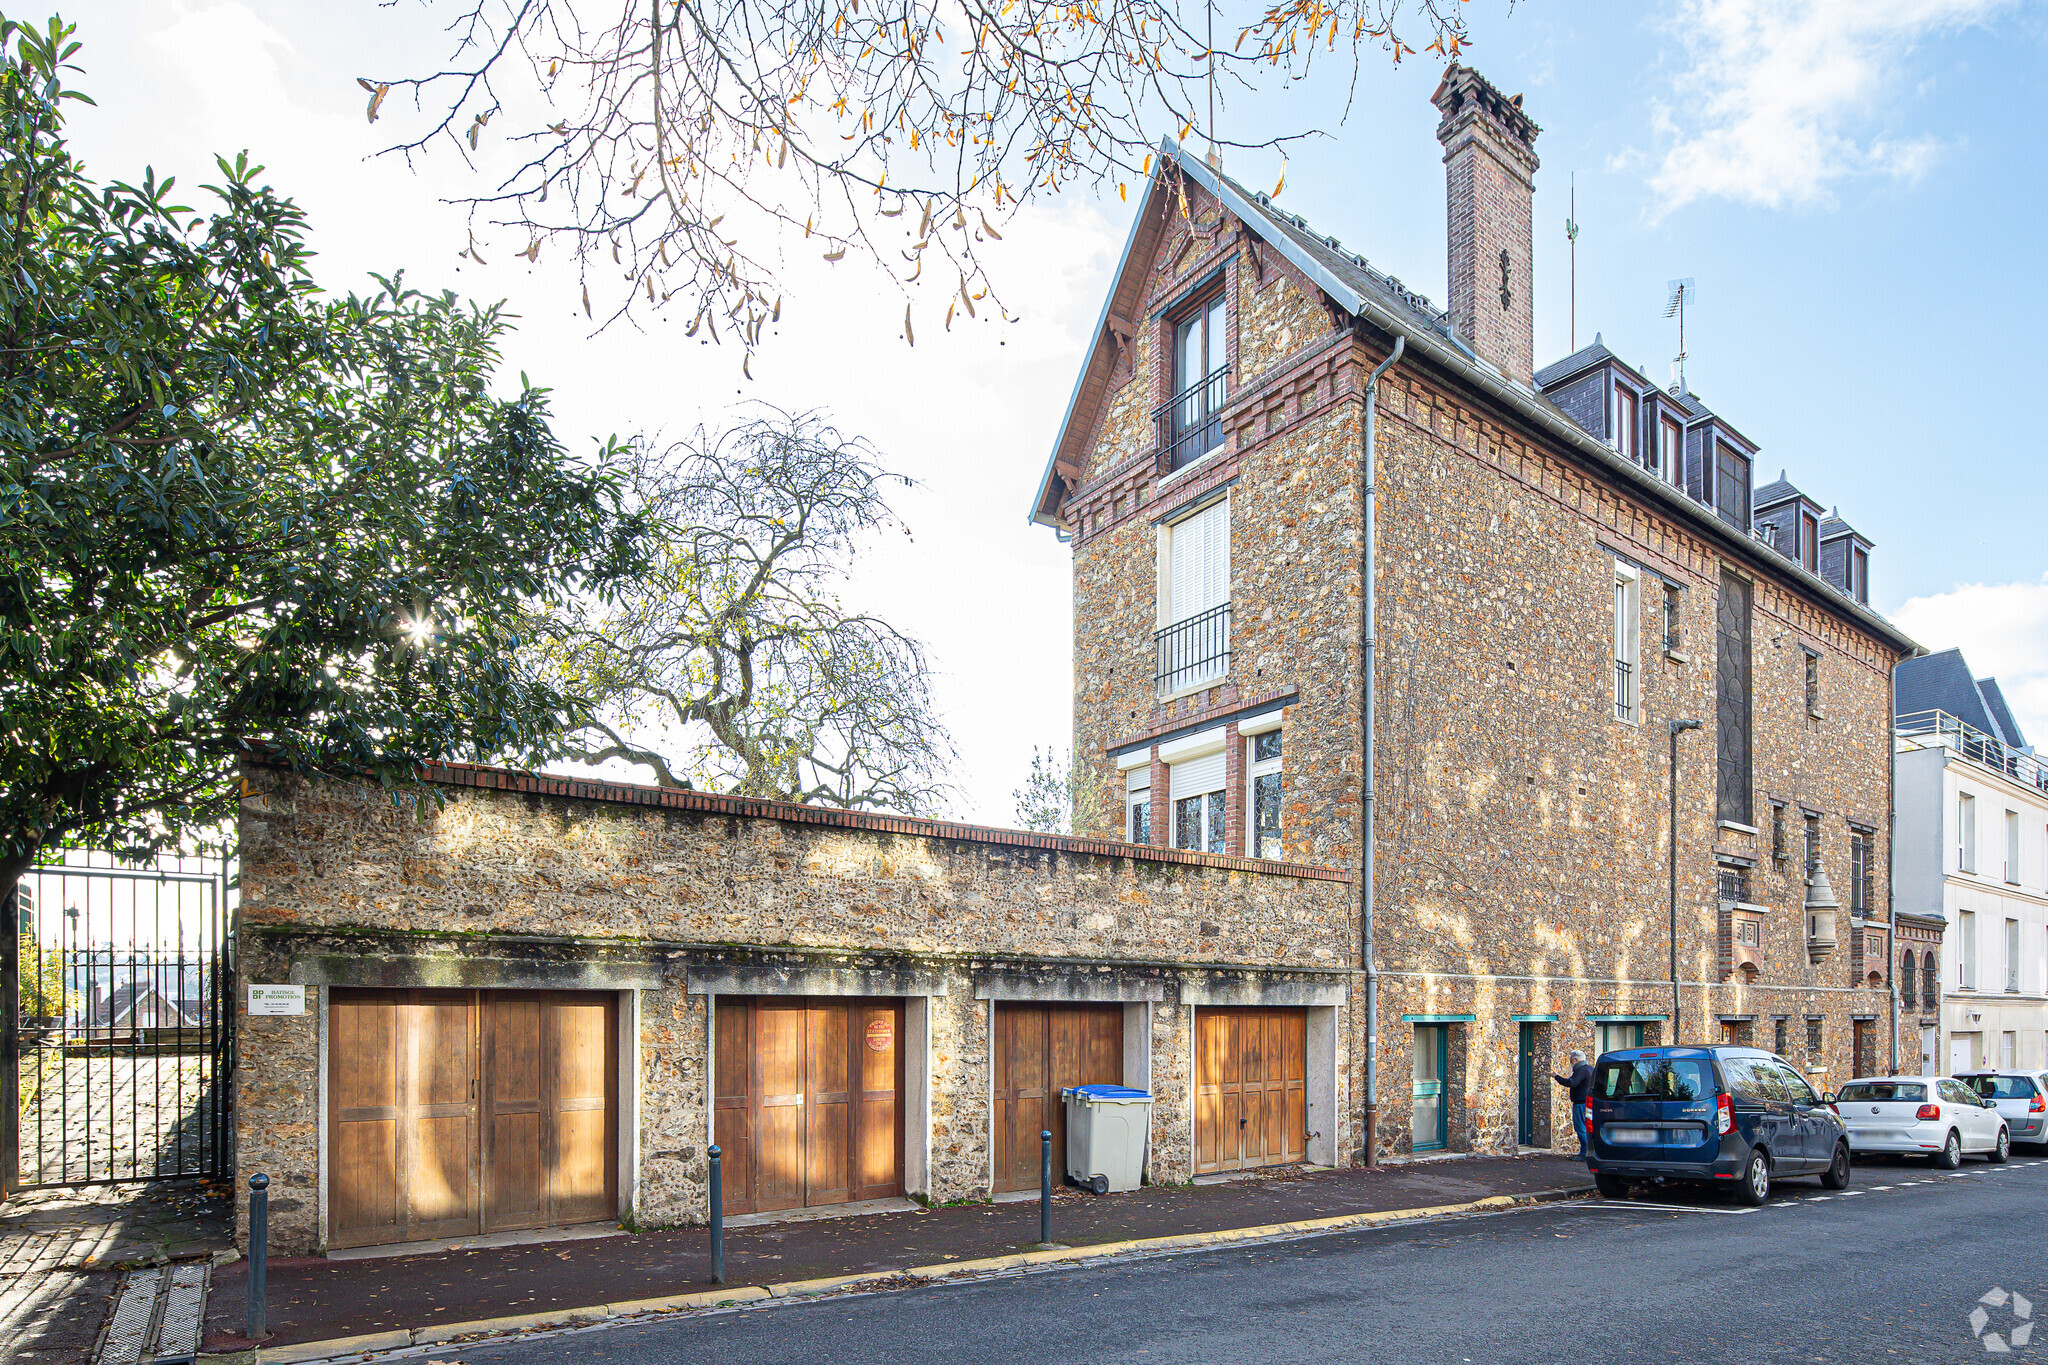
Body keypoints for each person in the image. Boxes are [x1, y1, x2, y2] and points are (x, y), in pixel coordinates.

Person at [1552, 1049, 1594, 1157]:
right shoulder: (1590, 1069)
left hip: (1581, 1103)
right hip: (1589, 1102)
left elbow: (1572, 1083)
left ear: (1576, 1059)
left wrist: (1556, 1076)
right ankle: (1590, 1151)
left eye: (1571, 1060)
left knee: (1581, 1128)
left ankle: (1585, 1152)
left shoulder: (1581, 1070)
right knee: (1588, 1128)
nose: (1570, 1063)